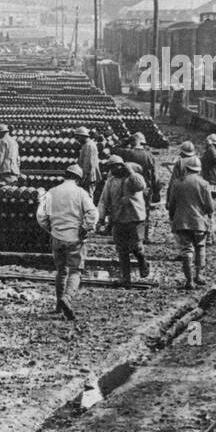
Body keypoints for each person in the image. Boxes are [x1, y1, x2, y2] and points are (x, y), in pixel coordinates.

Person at [36, 163, 98, 321]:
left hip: (57, 237)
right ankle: (67, 298)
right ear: (78, 179)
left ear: (65, 175)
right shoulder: (81, 193)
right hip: (74, 238)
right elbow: (93, 213)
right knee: (75, 271)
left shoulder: (52, 192)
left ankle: (58, 305)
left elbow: (41, 216)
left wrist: (51, 229)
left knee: (61, 271)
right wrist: (85, 227)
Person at [97, 156, 150, 287]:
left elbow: (141, 186)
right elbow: (104, 200)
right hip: (118, 218)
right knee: (121, 250)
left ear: (122, 166)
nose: (114, 169)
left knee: (136, 246)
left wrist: (131, 172)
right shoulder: (110, 182)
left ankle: (142, 261)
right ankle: (125, 278)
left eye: (116, 166)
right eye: (111, 167)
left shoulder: (132, 179)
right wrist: (101, 218)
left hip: (134, 218)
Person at [167, 156, 215, 290]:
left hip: (181, 222)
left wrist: (173, 218)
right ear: (198, 170)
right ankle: (199, 276)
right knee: (200, 247)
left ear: (186, 168)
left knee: (186, 250)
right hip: (199, 223)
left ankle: (189, 281)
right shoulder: (204, 183)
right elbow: (210, 207)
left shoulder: (177, 183)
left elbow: (172, 205)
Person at [201, 133, 216, 244]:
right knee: (209, 212)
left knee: (206, 212)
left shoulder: (212, 153)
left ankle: (209, 237)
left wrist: (210, 147)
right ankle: (212, 236)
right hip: (213, 185)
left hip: (210, 185)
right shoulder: (213, 153)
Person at [73, 126, 100, 195]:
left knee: (88, 196)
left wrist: (83, 178)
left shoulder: (89, 145)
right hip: (87, 176)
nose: (77, 140)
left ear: (83, 136)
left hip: (88, 177)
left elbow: (88, 164)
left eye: (78, 137)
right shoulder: (86, 145)